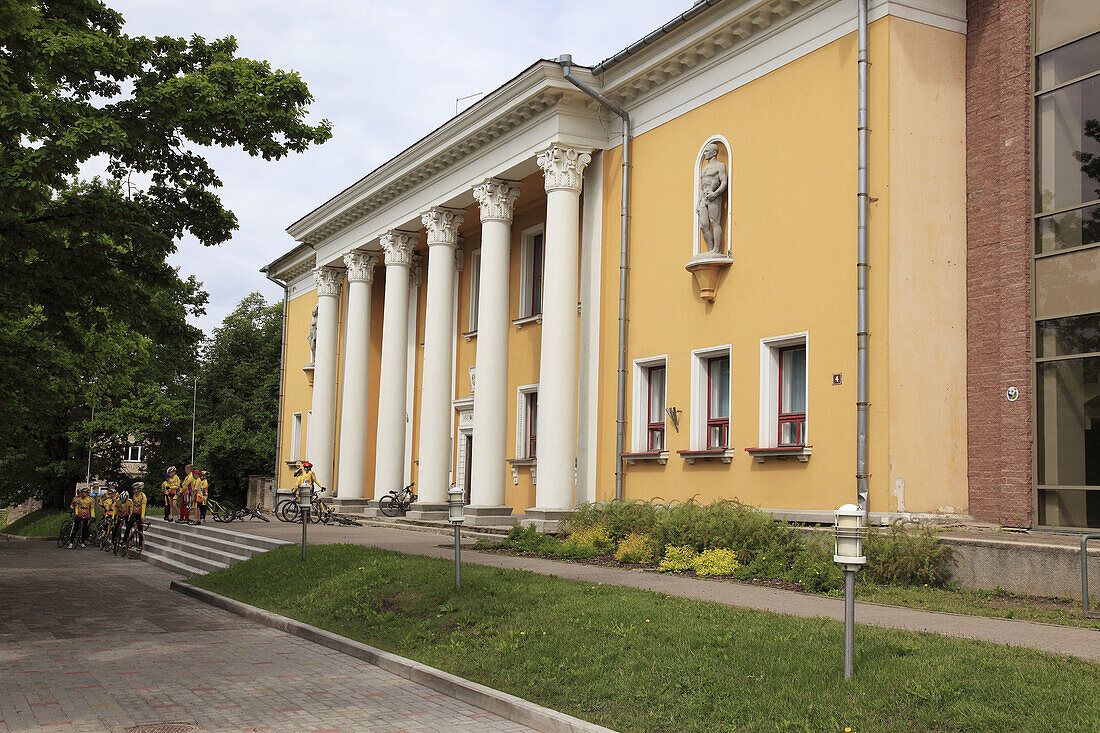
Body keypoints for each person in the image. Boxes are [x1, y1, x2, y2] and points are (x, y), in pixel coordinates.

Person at [696, 142, 729, 254]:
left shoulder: (720, 166)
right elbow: (701, 187)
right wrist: (698, 202)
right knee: (703, 225)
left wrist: (715, 194)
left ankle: (716, 249)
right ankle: (710, 249)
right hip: (704, 197)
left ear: (714, 152)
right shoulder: (704, 169)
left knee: (714, 221)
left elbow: (724, 182)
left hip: (714, 197)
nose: (704, 153)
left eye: (707, 151)